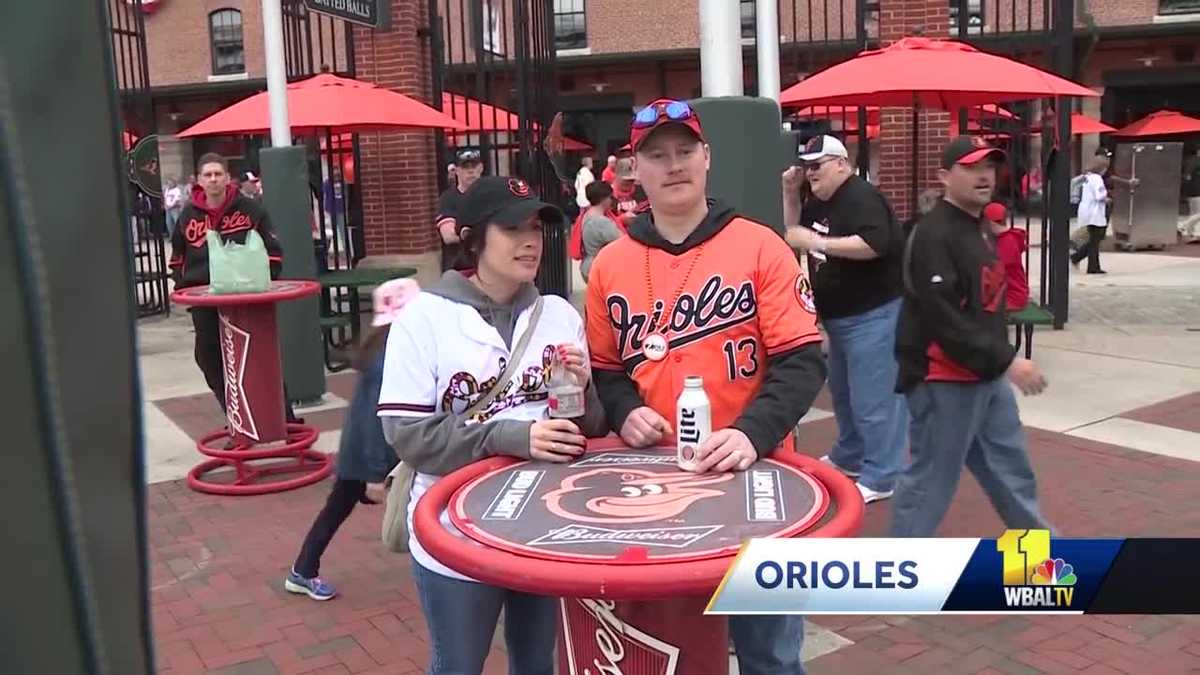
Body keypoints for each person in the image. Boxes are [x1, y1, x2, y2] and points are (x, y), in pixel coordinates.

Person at [587, 98, 826, 675]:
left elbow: (802, 361)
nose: (674, 166)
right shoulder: (612, 262)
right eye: (657, 155)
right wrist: (623, 413)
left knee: (769, 651)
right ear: (633, 170)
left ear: (707, 157)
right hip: (656, 485)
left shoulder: (761, 245)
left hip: (758, 476)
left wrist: (752, 434)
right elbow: (607, 370)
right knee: (669, 647)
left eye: (685, 151)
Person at [378, 176, 608, 675]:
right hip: (454, 525)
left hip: (543, 525)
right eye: (512, 228)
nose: (531, 241)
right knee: (459, 664)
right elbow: (408, 436)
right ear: (475, 237)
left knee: (535, 661)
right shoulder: (424, 317)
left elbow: (586, 427)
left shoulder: (559, 314)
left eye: (537, 228)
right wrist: (512, 437)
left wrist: (582, 389)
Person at [891, 136, 1052, 538]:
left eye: (990, 167)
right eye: (971, 167)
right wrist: (1008, 362)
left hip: (984, 377)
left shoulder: (979, 228)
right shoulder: (933, 234)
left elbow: (983, 306)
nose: (984, 176)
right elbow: (943, 317)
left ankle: (1039, 563)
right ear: (944, 177)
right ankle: (897, 572)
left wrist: (998, 363)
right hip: (942, 381)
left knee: (1012, 473)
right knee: (930, 484)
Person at [782, 134, 908, 504]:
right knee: (845, 394)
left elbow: (875, 244)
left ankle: (883, 475)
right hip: (841, 316)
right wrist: (791, 193)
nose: (811, 173)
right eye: (806, 166)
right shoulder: (820, 201)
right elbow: (792, 234)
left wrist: (818, 243)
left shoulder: (861, 197)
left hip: (875, 314)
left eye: (817, 165)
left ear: (841, 163)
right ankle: (850, 455)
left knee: (875, 401)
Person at [284, 278, 419, 601]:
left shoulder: (380, 347)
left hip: (358, 452)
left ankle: (303, 570)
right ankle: (303, 570)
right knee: (416, 510)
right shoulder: (391, 355)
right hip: (373, 456)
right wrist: (374, 474)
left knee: (336, 509)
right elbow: (376, 418)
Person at [169, 153, 286, 417]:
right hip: (204, 297)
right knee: (208, 356)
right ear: (199, 180)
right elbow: (177, 256)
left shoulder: (250, 209)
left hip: (246, 296)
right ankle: (236, 416)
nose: (213, 180)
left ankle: (281, 417)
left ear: (227, 177)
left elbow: (273, 250)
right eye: (208, 175)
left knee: (259, 355)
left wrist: (267, 280)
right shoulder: (188, 215)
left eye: (217, 174)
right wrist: (182, 284)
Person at [434, 149, 485, 273]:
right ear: (456, 170)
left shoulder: (489, 196)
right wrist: (484, 233)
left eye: (474, 166)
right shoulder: (448, 198)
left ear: (481, 168)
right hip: (458, 269)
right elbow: (449, 236)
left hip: (486, 267)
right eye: (465, 167)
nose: (470, 171)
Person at [985, 201, 1029, 312]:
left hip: (1011, 296)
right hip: (1007, 293)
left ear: (991, 223)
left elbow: (995, 273)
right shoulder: (1006, 238)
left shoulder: (1007, 242)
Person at [1071, 153, 1111, 274]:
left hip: (1086, 211)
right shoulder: (1097, 179)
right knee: (1097, 238)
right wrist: (1107, 199)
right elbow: (1099, 195)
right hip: (1095, 213)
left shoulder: (1087, 177)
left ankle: (1088, 263)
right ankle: (1082, 259)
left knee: (1094, 239)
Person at [579, 181, 623, 283]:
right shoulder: (601, 222)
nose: (612, 201)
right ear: (603, 199)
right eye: (610, 197)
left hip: (589, 264)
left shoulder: (587, 214)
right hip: (599, 267)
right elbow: (622, 240)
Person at [610, 156, 648, 228]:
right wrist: (620, 220)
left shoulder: (641, 192)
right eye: (626, 179)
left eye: (632, 180)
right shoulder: (607, 195)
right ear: (616, 175)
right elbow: (602, 225)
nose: (629, 182)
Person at [1180, 146, 1200, 240]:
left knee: (1194, 212)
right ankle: (1184, 225)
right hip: (1196, 190)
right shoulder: (1195, 160)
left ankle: (1190, 233)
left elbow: (1186, 175)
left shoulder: (1189, 160)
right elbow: (1187, 175)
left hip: (1191, 190)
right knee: (1198, 213)